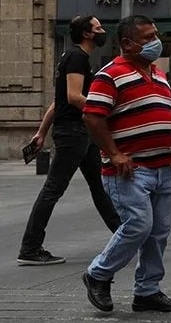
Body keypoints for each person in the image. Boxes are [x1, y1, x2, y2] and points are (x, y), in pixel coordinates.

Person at [81, 14, 171, 313]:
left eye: (156, 35)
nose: (156, 42)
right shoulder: (110, 74)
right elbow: (92, 115)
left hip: (161, 168)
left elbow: (166, 117)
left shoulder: (158, 74)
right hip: (129, 170)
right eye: (147, 38)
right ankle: (98, 274)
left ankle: (147, 291)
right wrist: (114, 153)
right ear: (127, 44)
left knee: (159, 232)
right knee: (139, 226)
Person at [17, 15, 121, 266]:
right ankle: (30, 247)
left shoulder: (73, 57)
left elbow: (58, 101)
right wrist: (107, 108)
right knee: (54, 188)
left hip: (78, 132)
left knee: (99, 187)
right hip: (74, 132)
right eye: (98, 28)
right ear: (87, 34)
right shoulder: (77, 57)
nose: (102, 31)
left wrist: (42, 132)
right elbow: (74, 97)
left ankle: (125, 236)